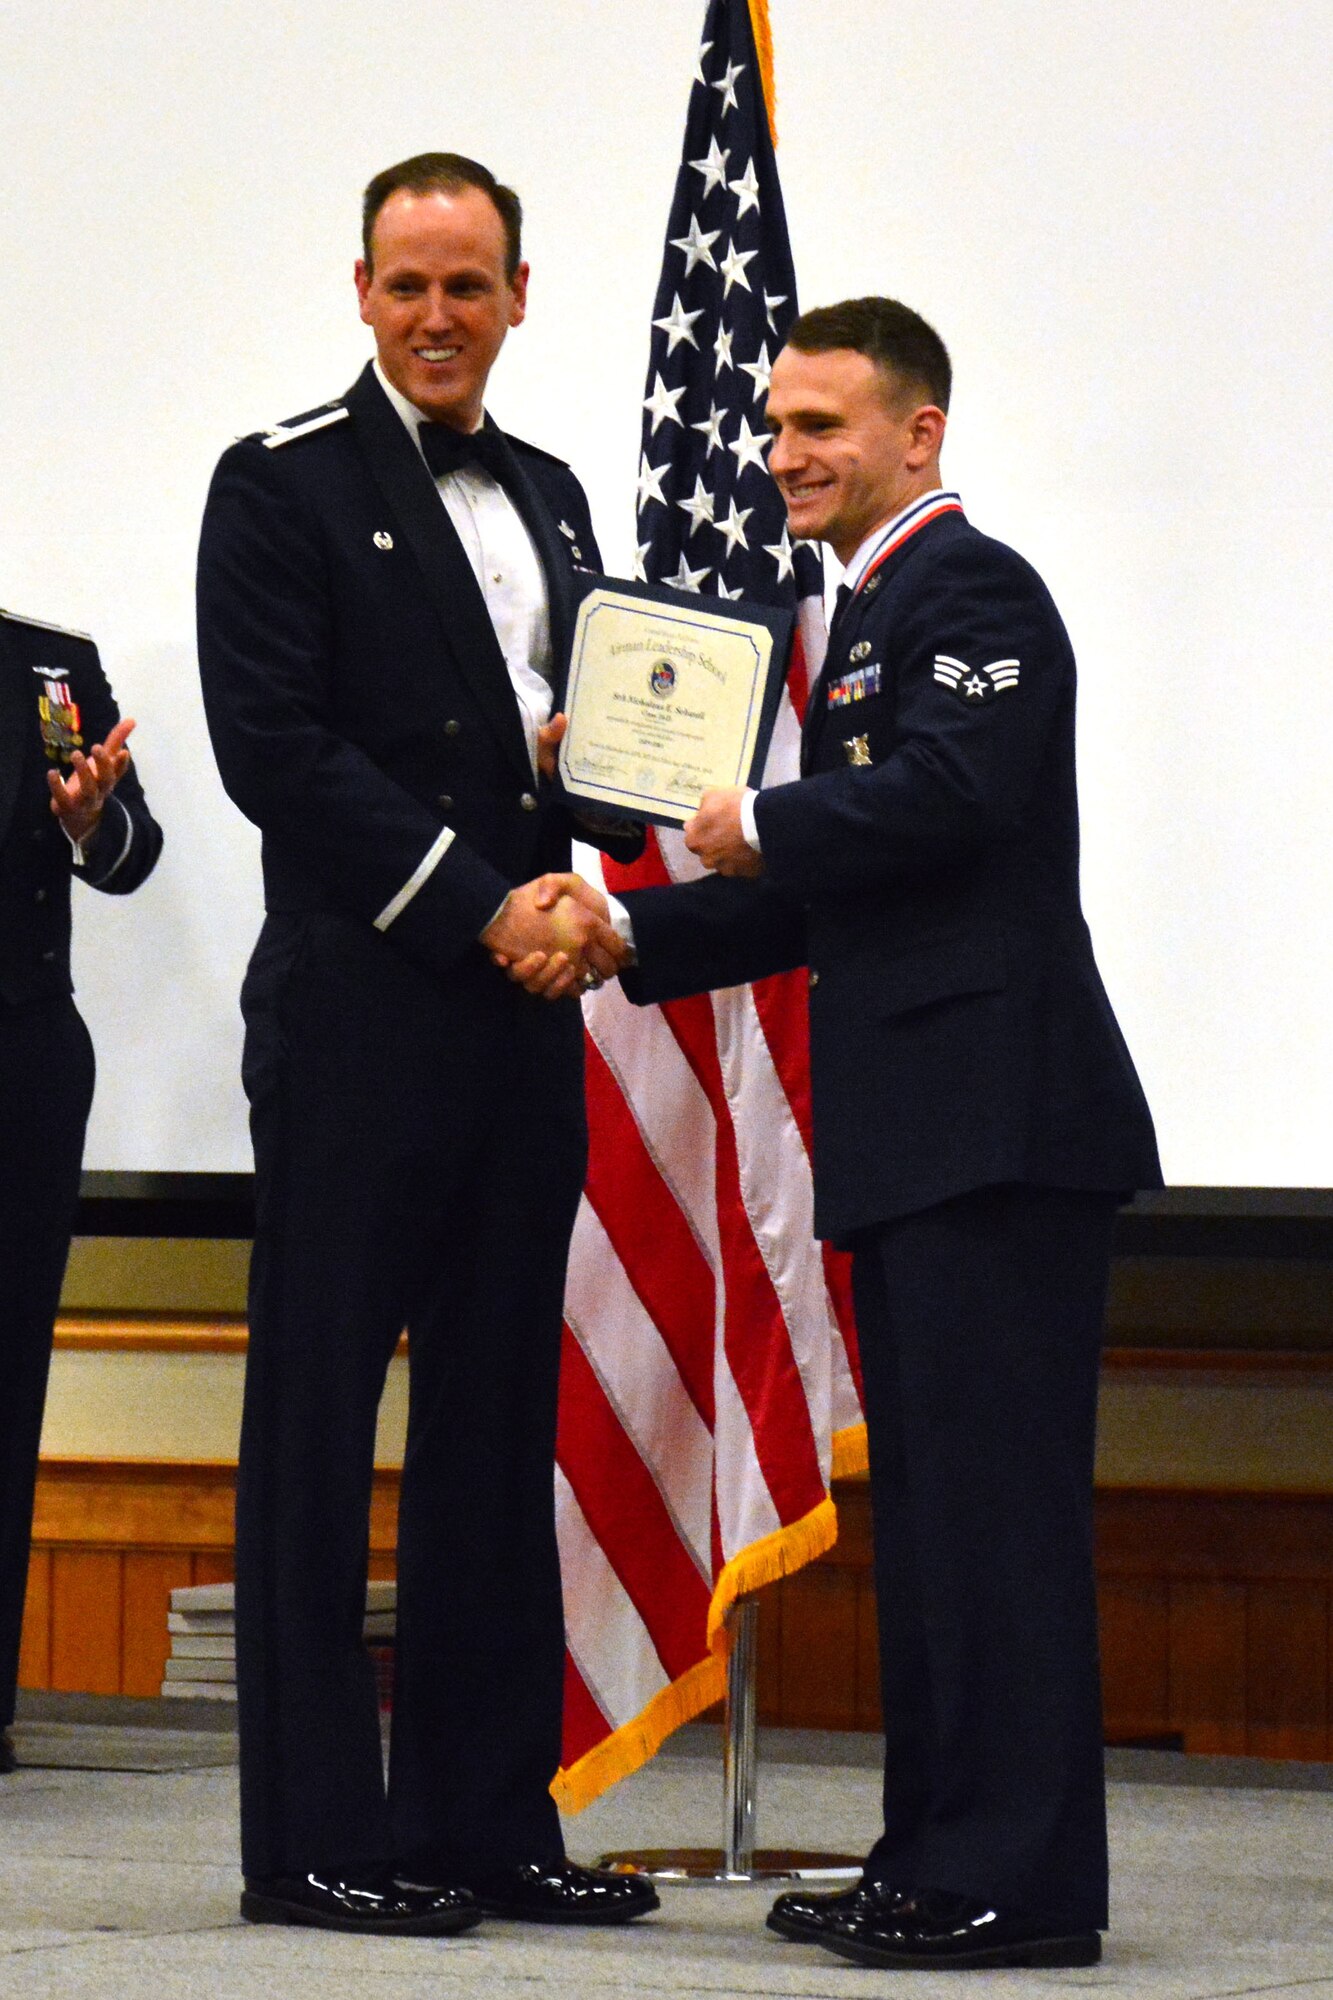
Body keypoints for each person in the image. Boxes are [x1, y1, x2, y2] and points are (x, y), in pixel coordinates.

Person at [506, 297, 1162, 1968]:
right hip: (928, 1134)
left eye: (822, 426)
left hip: (999, 1133)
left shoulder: (968, 588)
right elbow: (840, 894)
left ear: (914, 434)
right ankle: (933, 1860)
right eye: (778, 426)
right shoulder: (869, 613)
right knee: (939, 1529)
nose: (784, 455)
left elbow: (950, 798)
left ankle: (1014, 1884)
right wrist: (632, 929)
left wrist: (751, 822)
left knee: (992, 1527)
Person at [195, 152, 653, 1936]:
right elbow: (278, 755)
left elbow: (576, 744)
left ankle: (480, 1822)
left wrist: (602, 837)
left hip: (522, 1023)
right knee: (315, 1429)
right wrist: (484, 899)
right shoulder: (278, 484)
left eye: (470, 286)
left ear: (520, 296)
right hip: (362, 1016)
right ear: (362, 292)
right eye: (408, 285)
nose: (438, 316)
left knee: (493, 1419)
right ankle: (313, 1839)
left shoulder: (547, 495)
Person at [1, 608, 161, 1772]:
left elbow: (133, 849)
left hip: (21, 1056)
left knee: (7, 1376)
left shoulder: (48, 664)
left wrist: (91, 821)